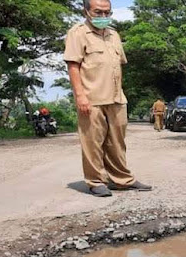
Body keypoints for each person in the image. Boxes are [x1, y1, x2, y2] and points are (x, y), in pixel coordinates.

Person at [64, 0, 152, 197]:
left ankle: (122, 180)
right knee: (92, 142)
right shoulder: (77, 33)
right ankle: (96, 181)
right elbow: (73, 65)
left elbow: (117, 66)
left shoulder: (114, 35)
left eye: (107, 13)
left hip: (116, 97)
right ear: (86, 11)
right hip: (91, 98)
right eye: (98, 12)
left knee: (117, 143)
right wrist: (80, 96)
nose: (103, 17)